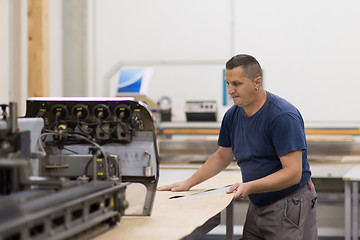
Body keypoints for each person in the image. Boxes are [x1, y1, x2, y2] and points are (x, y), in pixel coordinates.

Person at [157, 54, 318, 240]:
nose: (230, 91)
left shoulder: (282, 116)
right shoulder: (233, 116)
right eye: (227, 84)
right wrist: (189, 183)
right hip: (258, 201)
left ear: (257, 81)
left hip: (289, 204)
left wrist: (249, 187)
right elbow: (222, 156)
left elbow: (293, 173)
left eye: (236, 84)